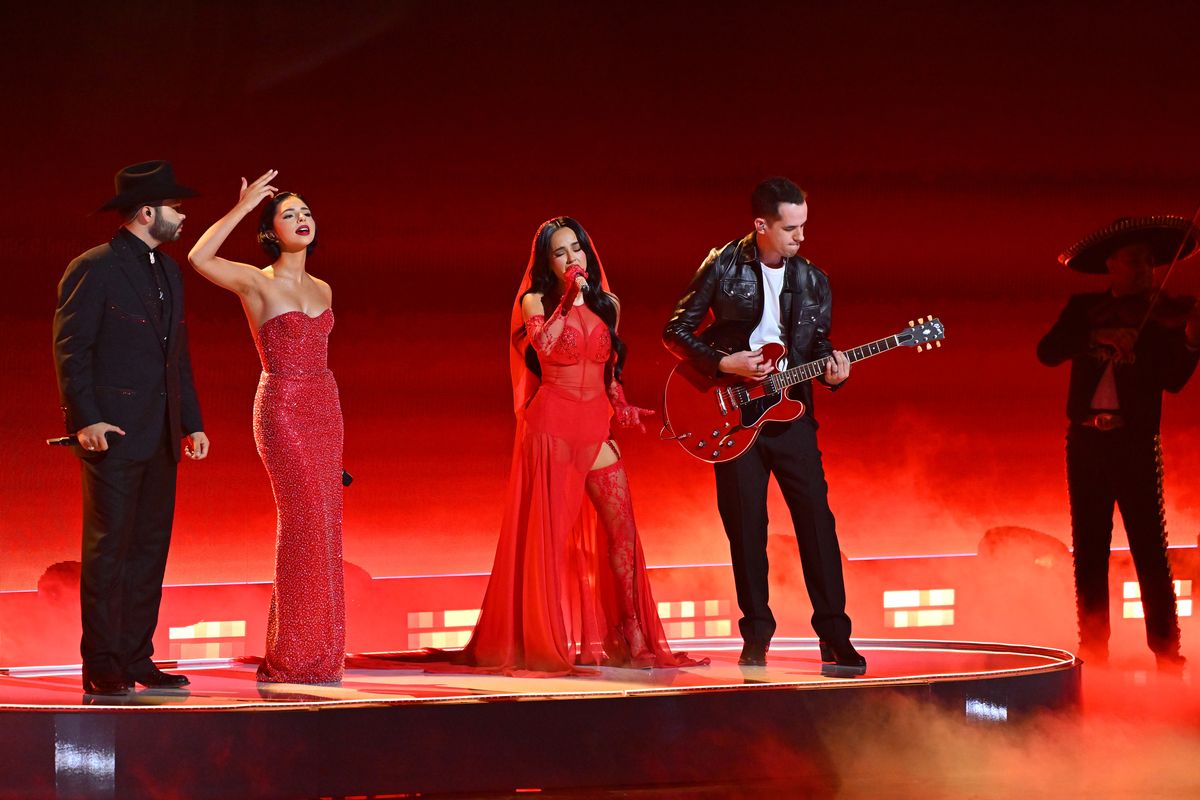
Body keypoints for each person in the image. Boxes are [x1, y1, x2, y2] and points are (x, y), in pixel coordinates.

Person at [459, 216, 702, 675]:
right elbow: (547, 348)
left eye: (578, 249)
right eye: (560, 253)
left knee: (623, 532)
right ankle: (539, 638)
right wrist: (568, 299)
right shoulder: (535, 300)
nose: (572, 259)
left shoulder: (608, 303)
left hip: (595, 426)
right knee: (548, 544)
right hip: (551, 425)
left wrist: (622, 404)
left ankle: (630, 629)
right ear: (547, 263)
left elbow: (610, 368)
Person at [663, 177, 865, 674]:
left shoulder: (814, 280)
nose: (800, 237)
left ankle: (835, 637)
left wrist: (836, 372)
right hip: (732, 415)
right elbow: (676, 330)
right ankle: (756, 636)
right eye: (790, 228)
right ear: (761, 225)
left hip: (791, 412)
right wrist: (723, 363)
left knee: (817, 523)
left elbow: (818, 349)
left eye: (803, 226)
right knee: (746, 528)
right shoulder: (724, 264)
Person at [53, 160, 208, 695]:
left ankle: (137, 656)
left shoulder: (167, 270)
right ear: (147, 212)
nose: (182, 217)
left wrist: (190, 421)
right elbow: (73, 349)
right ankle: (102, 663)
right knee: (109, 550)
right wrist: (84, 420)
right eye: (176, 208)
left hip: (161, 433)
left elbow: (176, 355)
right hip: (112, 433)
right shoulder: (94, 266)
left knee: (148, 549)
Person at [188, 170, 345, 684]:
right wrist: (242, 205)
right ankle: (292, 656)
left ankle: (321, 652)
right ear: (270, 231)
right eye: (288, 214)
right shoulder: (257, 280)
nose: (301, 220)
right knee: (301, 524)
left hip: (325, 406)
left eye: (306, 213)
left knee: (325, 527)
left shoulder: (323, 287)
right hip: (281, 408)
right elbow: (198, 258)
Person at [1037, 215, 1200, 671]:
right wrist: (1100, 335)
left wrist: (1192, 337)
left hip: (1134, 442)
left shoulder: (1165, 315)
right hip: (1086, 441)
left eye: (1149, 262)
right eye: (1134, 261)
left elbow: (1175, 380)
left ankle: (1167, 652)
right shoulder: (1084, 309)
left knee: (1149, 547)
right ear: (1112, 265)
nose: (1144, 270)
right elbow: (1047, 352)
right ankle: (1094, 648)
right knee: (1089, 548)